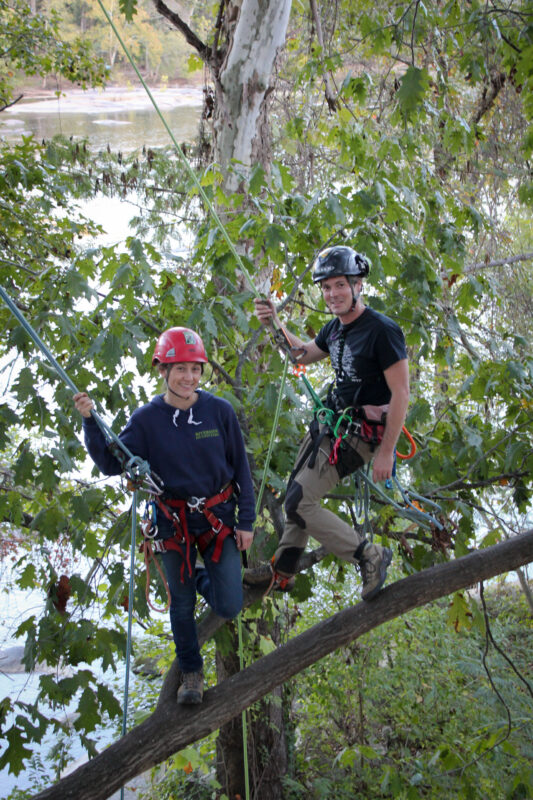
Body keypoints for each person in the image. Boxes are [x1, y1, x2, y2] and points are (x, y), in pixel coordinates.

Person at [73, 327, 255, 705]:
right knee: (182, 604)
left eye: (194, 369)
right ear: (163, 369)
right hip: (172, 525)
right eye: (180, 369)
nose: (188, 377)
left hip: (217, 518)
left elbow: (242, 470)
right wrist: (91, 423)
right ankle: (191, 672)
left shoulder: (218, 412)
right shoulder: (146, 420)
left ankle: (207, 579)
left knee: (229, 605)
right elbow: (111, 462)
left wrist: (246, 521)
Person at [249, 245, 409, 601]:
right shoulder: (334, 330)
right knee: (295, 493)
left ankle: (369, 554)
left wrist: (386, 453)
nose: (332, 294)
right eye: (326, 287)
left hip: (361, 436)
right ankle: (284, 569)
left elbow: (401, 393)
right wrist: (275, 323)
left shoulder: (382, 331)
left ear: (357, 286)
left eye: (339, 285)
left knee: (300, 503)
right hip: (333, 425)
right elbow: (301, 353)